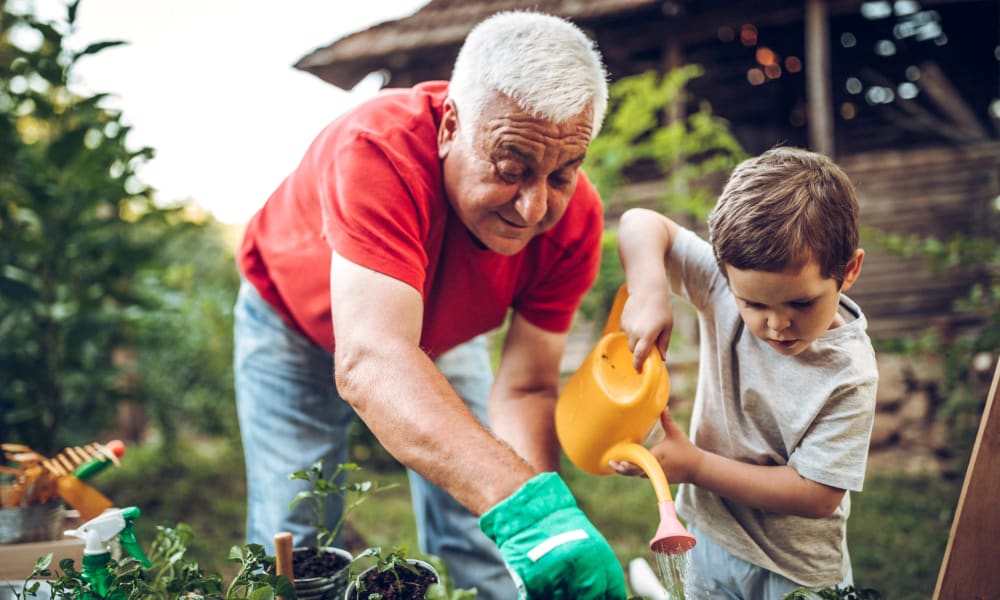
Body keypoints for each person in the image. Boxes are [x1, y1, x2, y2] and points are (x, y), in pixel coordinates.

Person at [234, 10, 627, 600]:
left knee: (485, 528)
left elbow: (525, 388)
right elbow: (373, 359)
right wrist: (526, 509)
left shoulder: (572, 223)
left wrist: (550, 525)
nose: (533, 208)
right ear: (450, 127)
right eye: (511, 168)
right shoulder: (378, 150)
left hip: (440, 335)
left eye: (562, 174)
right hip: (293, 323)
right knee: (299, 539)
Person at [613, 146, 879, 599]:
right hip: (710, 541)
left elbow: (816, 495)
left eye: (801, 302)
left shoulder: (849, 372)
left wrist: (696, 466)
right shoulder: (720, 284)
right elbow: (640, 222)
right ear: (724, 273)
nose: (776, 324)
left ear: (848, 270)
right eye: (753, 304)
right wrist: (649, 288)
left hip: (795, 571)